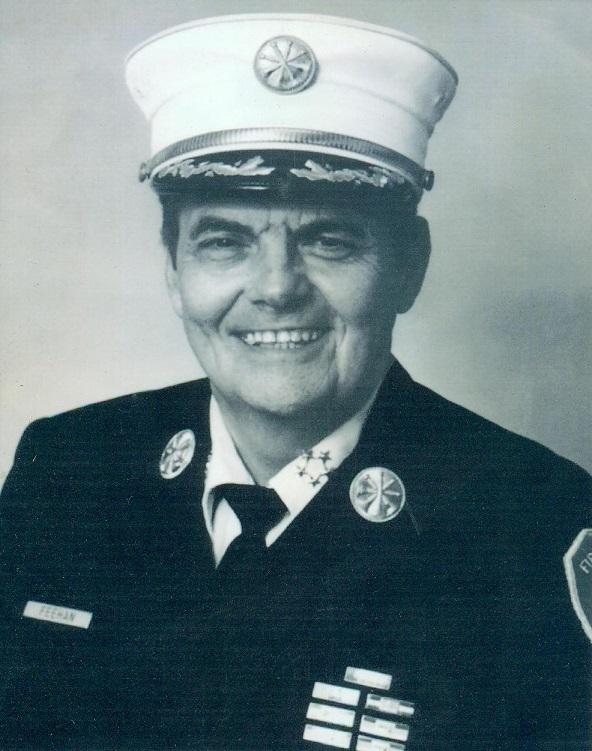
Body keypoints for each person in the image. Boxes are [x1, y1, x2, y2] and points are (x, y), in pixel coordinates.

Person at [0, 13, 589, 751]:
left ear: (408, 265)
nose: (277, 288)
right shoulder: (68, 469)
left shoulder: (532, 526)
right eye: (225, 241)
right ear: (173, 272)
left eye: (329, 240)